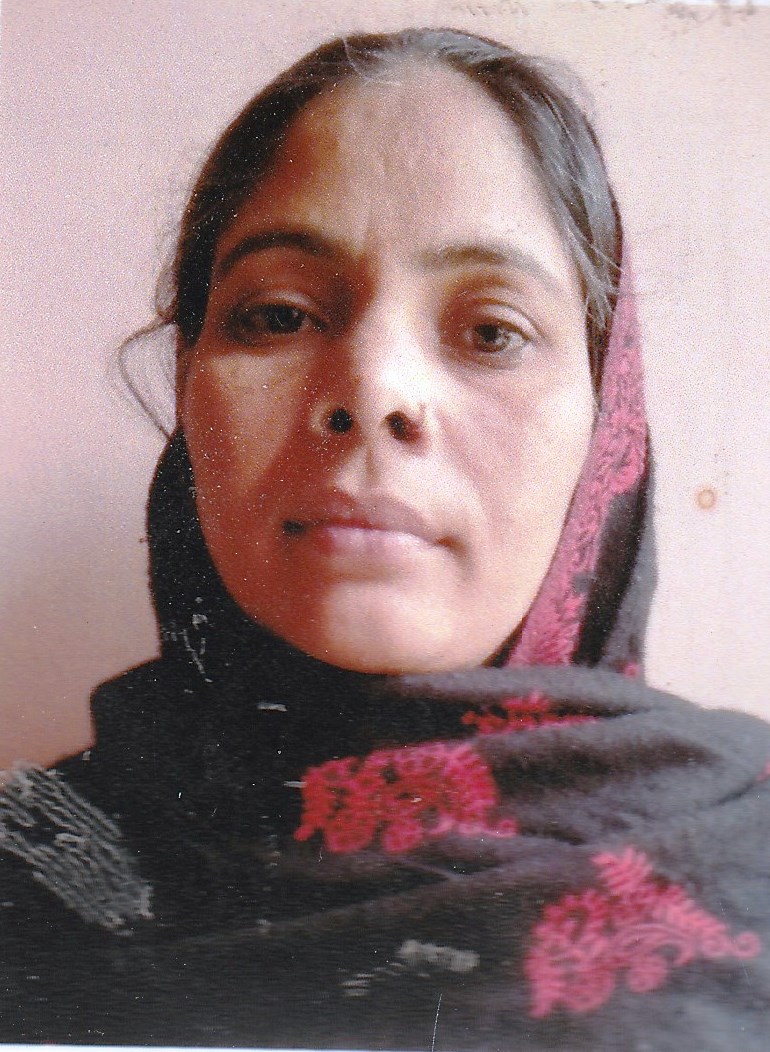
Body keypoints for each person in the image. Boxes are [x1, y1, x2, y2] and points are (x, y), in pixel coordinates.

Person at [2, 27, 769, 1050]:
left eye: (491, 331)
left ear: (607, 428)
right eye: (278, 315)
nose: (372, 391)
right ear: (189, 393)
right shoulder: (27, 882)